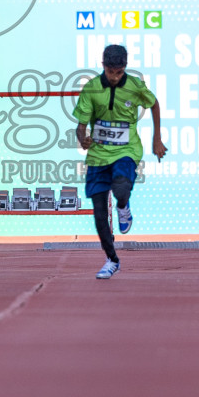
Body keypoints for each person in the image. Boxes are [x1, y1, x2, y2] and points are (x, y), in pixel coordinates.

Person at [73, 43, 166, 280]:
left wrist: (157, 139)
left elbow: (153, 104)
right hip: (98, 156)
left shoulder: (135, 86)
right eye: (111, 71)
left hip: (126, 151)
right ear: (103, 66)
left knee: (121, 186)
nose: (115, 77)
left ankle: (123, 207)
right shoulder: (92, 88)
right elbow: (81, 124)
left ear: (125, 68)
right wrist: (82, 137)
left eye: (119, 72)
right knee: (99, 214)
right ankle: (111, 260)